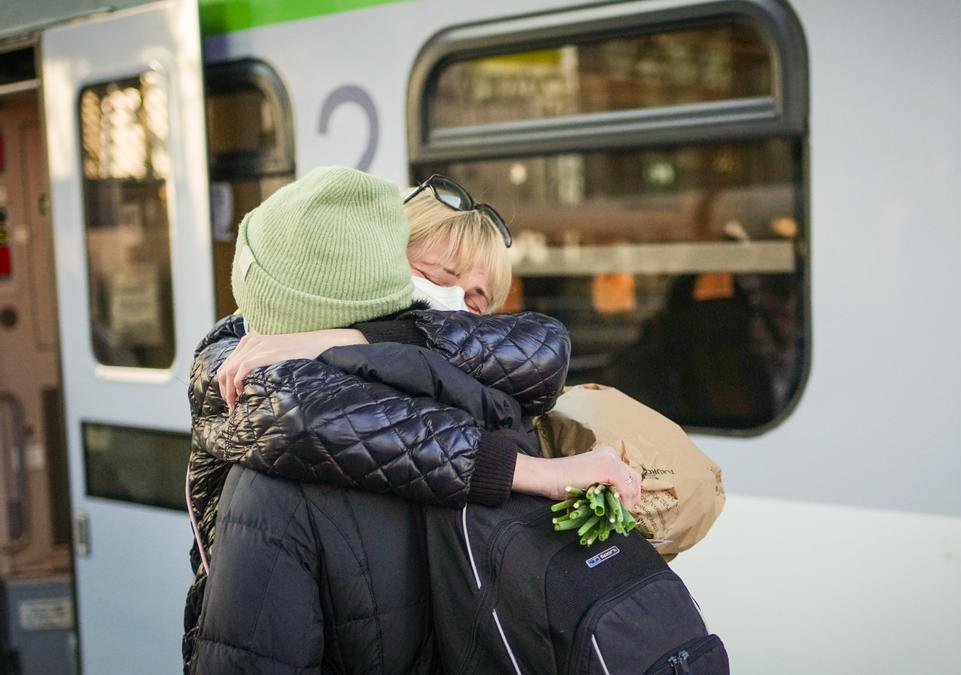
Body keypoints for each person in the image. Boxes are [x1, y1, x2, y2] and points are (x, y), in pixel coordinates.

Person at [184, 168, 639, 673]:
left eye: (477, 301)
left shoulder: (488, 406)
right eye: (438, 276)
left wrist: (358, 339)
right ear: (376, 267)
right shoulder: (263, 398)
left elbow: (545, 346)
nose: (452, 307)